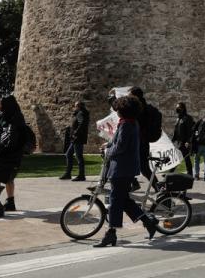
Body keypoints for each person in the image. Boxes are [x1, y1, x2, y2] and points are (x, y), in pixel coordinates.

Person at [93, 95, 158, 247]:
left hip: (122, 168)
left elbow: (121, 147)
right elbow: (117, 142)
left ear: (123, 111)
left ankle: (111, 233)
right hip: (124, 167)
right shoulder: (129, 123)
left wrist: (108, 152)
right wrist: (108, 146)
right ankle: (148, 222)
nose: (116, 113)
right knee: (123, 200)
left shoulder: (127, 125)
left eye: (118, 110)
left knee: (115, 200)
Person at [129, 87, 163, 186]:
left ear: (135, 95)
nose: (129, 97)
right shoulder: (145, 106)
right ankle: (133, 184)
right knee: (142, 168)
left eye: (130, 95)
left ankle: (159, 188)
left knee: (143, 168)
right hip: (142, 142)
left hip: (139, 142)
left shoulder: (138, 107)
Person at [61, 101, 90, 181]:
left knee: (78, 156)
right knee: (68, 154)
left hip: (78, 138)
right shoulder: (82, 113)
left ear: (78, 106)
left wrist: (75, 133)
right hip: (76, 138)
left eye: (75, 106)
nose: (74, 107)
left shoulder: (81, 113)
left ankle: (81, 175)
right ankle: (68, 174)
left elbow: (82, 124)